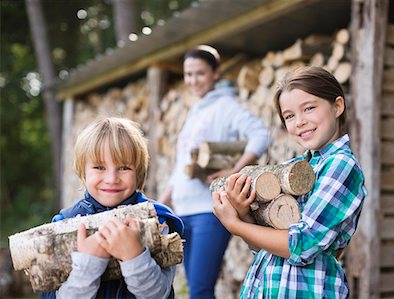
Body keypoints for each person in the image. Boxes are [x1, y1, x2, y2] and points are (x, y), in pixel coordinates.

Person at [212, 66, 367, 298]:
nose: (300, 121)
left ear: (337, 106)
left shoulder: (341, 166)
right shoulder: (294, 168)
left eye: (309, 108)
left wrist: (235, 225)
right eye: (290, 116)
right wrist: (244, 213)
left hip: (307, 290)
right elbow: (263, 244)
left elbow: (302, 245)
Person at [158, 45, 271, 299]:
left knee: (200, 289)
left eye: (200, 73)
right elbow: (180, 168)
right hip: (183, 212)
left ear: (216, 73)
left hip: (210, 212)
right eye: (188, 74)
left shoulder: (226, 106)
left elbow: (261, 133)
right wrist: (160, 206)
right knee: (193, 287)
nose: (193, 80)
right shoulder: (195, 111)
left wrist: (235, 169)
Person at [40, 116, 184, 299]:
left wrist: (135, 257)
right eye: (99, 167)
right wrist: (88, 265)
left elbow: (159, 295)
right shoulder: (64, 224)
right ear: (82, 171)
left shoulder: (158, 222)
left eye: (124, 168)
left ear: (139, 173)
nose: (111, 178)